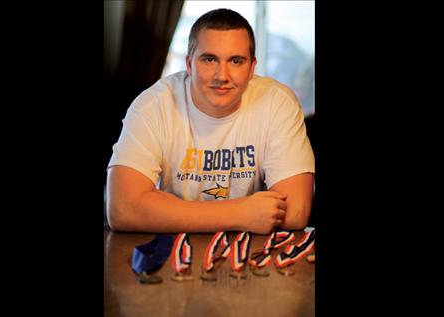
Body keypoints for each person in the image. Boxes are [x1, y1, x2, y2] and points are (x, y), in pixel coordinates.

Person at [106, 8, 314, 234]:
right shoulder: (152, 105)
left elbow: (295, 212)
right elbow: (122, 209)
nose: (222, 76)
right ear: (189, 64)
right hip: (171, 249)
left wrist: (163, 209)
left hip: (250, 253)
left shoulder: (278, 102)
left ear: (252, 68)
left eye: (236, 61)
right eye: (209, 59)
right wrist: (241, 214)